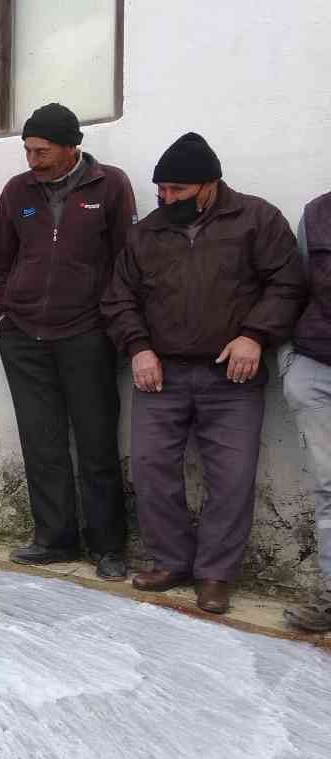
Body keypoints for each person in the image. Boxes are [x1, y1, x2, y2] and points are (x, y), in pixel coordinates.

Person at [101, 133, 305, 613]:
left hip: (231, 378)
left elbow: (288, 282)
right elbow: (119, 297)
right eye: (161, 191)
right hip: (160, 374)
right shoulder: (146, 233)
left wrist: (255, 335)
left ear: (210, 185)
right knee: (151, 471)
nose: (167, 199)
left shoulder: (257, 219)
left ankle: (215, 574)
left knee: (231, 478)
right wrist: (138, 348)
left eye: (178, 191)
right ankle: (171, 561)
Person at [0, 103, 136, 581]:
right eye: (28, 149)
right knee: (41, 442)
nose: (33, 158)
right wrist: (3, 311)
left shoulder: (110, 186)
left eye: (42, 150)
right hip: (24, 336)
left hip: (86, 335)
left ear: (72, 147)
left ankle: (109, 546)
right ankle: (54, 538)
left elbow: (124, 263)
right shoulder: (17, 192)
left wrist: (108, 322)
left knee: (96, 443)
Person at [283, 190, 331, 631]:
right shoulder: (316, 214)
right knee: (329, 488)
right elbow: (294, 288)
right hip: (318, 366)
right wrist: (291, 363)